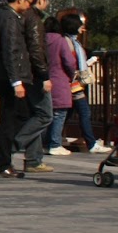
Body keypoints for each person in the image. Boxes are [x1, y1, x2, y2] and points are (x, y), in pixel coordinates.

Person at [0, 0, 35, 178]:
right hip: (9, 77)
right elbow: (10, 51)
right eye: (28, 2)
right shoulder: (11, 20)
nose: (29, 6)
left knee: (13, 115)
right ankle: (0, 160)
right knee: (13, 117)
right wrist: (16, 81)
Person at [15, 0, 56, 174]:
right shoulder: (34, 19)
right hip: (34, 75)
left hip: (25, 73)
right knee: (45, 115)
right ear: (41, 0)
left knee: (35, 115)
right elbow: (36, 50)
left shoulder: (21, 17)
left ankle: (33, 159)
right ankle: (10, 147)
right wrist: (44, 76)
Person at [62, 13, 110, 154]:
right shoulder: (70, 43)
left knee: (66, 113)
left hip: (72, 83)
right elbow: (72, 63)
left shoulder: (69, 41)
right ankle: (91, 143)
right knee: (84, 111)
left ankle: (50, 139)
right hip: (74, 83)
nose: (82, 28)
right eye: (80, 25)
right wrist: (88, 63)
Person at [44, 17, 80, 157]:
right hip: (59, 79)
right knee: (59, 114)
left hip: (44, 80)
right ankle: (55, 144)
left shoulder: (40, 40)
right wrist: (72, 74)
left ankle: (46, 143)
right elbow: (69, 61)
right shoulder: (60, 41)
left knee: (45, 114)